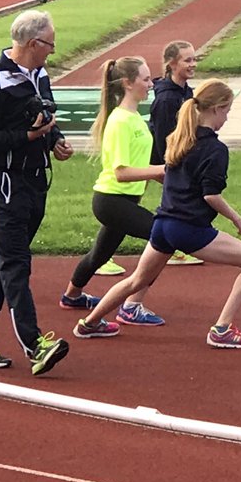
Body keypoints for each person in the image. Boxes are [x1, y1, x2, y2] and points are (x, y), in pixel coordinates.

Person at [73, 79, 241, 348]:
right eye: (227, 111)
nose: (226, 118)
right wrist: (237, 219)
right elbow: (210, 195)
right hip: (189, 228)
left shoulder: (178, 139)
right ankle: (222, 328)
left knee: (137, 280)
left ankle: (90, 322)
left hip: (163, 224)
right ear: (217, 109)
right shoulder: (215, 149)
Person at [0, 10, 72, 376]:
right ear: (33, 43)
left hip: (35, 180)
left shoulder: (40, 74)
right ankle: (35, 345)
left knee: (2, 260)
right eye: (50, 44)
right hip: (5, 182)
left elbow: (45, 118)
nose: (52, 50)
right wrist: (27, 137)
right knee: (16, 262)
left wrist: (54, 140)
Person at [59, 57, 167, 325]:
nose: (151, 84)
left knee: (100, 254)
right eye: (145, 79)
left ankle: (72, 295)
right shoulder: (120, 122)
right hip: (112, 201)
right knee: (164, 238)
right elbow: (121, 172)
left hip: (123, 200)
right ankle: (131, 306)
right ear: (128, 83)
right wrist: (160, 171)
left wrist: (166, 177)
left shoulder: (134, 118)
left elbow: (139, 164)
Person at [146, 39, 202, 266]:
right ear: (172, 64)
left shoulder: (186, 92)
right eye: (187, 60)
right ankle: (102, 256)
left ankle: (175, 248)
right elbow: (162, 138)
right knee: (125, 202)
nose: (193, 64)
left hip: (173, 159)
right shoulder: (167, 99)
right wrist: (170, 167)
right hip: (156, 161)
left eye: (194, 59)